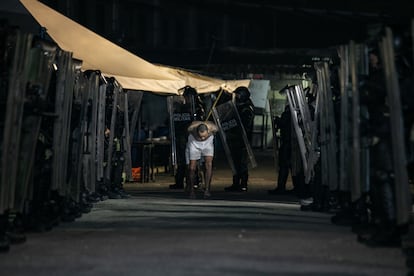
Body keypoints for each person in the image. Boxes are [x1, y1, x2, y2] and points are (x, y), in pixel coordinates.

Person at [169, 86, 205, 190]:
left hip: (192, 138)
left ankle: (194, 181)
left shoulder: (197, 108)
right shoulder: (183, 107)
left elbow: (199, 122)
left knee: (193, 160)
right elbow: (176, 120)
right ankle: (179, 181)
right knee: (181, 160)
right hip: (182, 137)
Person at [224, 86, 255, 192]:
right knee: (235, 162)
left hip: (243, 140)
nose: (236, 97)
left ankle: (243, 184)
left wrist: (235, 128)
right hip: (235, 138)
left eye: (238, 95)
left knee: (242, 163)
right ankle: (236, 183)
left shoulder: (247, 108)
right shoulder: (237, 107)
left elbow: (244, 125)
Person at [185, 120, 218, 198]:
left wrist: (209, 135)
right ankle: (192, 190)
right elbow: (188, 130)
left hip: (207, 144)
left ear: (208, 131)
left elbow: (217, 129)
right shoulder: (192, 128)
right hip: (194, 143)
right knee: (192, 167)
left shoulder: (212, 127)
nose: (202, 138)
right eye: (201, 136)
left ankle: (207, 189)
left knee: (208, 165)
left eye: (204, 136)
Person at [268, 104, 294, 195]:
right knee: (290, 166)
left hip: (288, 142)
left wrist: (278, 121)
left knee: (284, 165)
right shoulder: (294, 112)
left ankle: (281, 187)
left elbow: (283, 124)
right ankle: (296, 187)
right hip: (290, 142)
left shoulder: (288, 114)